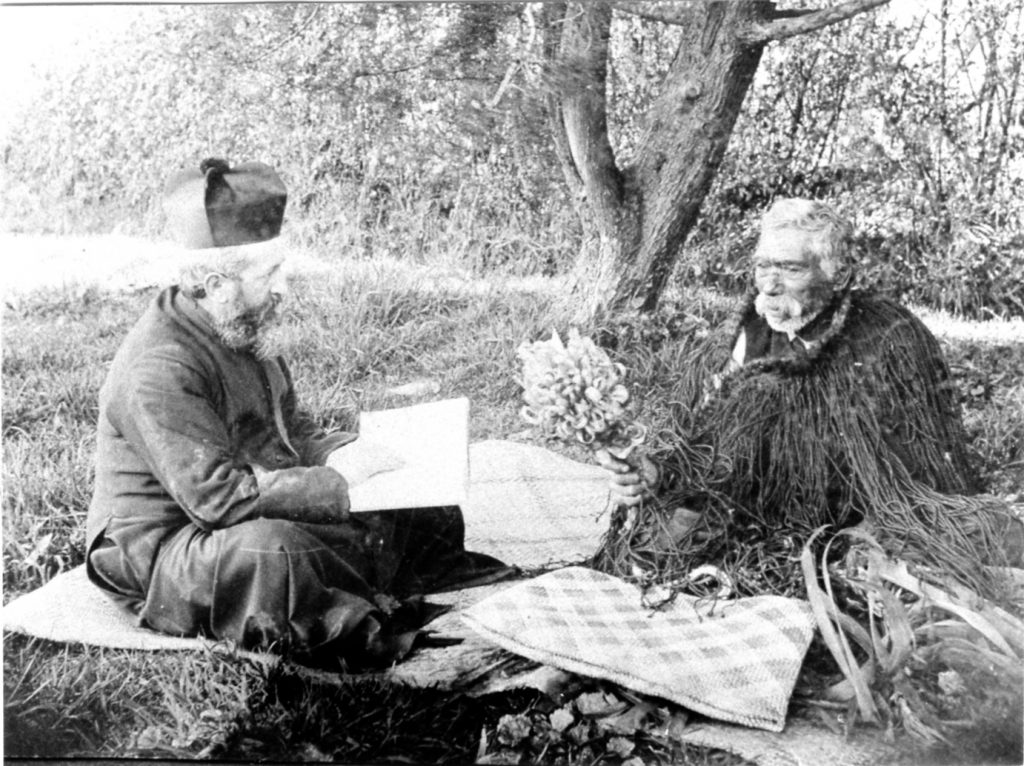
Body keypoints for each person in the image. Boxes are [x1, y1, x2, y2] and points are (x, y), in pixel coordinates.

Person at [85, 158, 510, 668]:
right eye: (270, 274)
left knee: (413, 493)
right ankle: (368, 605)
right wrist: (339, 487)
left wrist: (350, 453)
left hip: (233, 505)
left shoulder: (239, 324)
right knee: (277, 552)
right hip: (166, 547)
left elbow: (291, 431)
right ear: (218, 283)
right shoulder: (158, 368)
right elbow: (217, 499)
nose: (282, 286)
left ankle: (394, 582)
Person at [595, 197, 1022, 592]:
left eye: (791, 268)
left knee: (929, 559)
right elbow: (707, 439)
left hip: (860, 508)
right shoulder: (748, 330)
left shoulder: (889, 336)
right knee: (655, 548)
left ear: (837, 276)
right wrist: (661, 474)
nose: (770, 285)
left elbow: (913, 466)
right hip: (756, 509)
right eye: (763, 267)